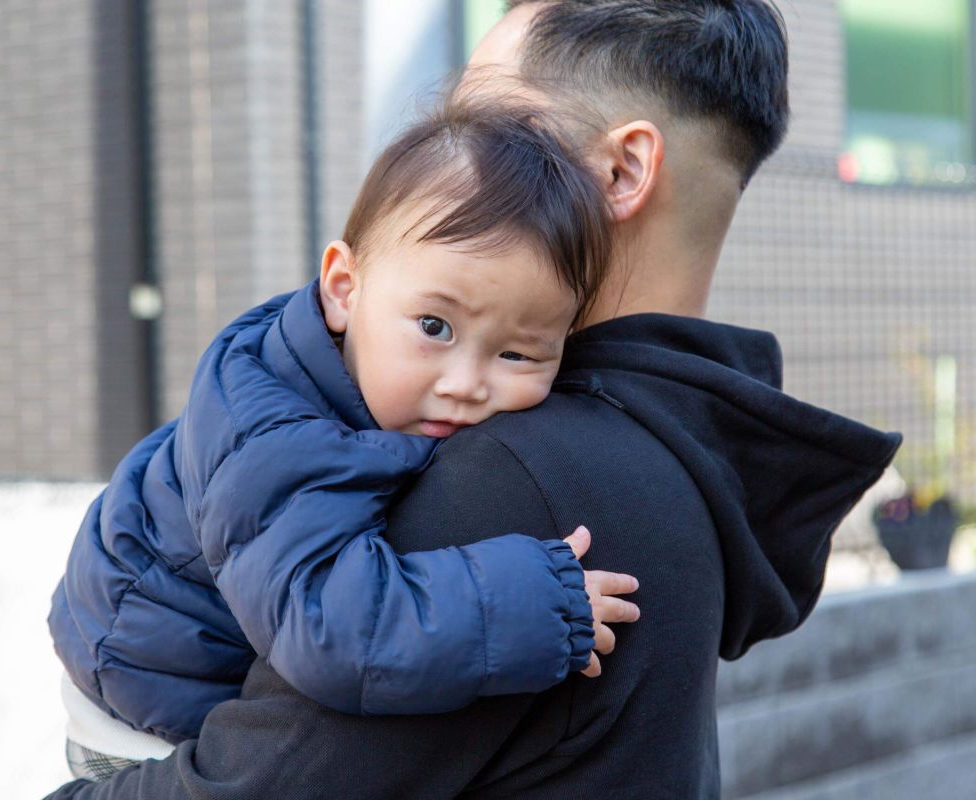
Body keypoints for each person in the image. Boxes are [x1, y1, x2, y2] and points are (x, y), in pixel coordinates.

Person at [46, 1, 902, 797]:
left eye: (495, 121)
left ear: (622, 169)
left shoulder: (513, 476)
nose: (453, 149)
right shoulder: (695, 450)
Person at [48, 104, 643, 780]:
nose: (467, 383)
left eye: (518, 354)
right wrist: (540, 605)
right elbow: (330, 625)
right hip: (137, 721)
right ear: (343, 290)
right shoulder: (277, 435)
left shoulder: (356, 381)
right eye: (434, 327)